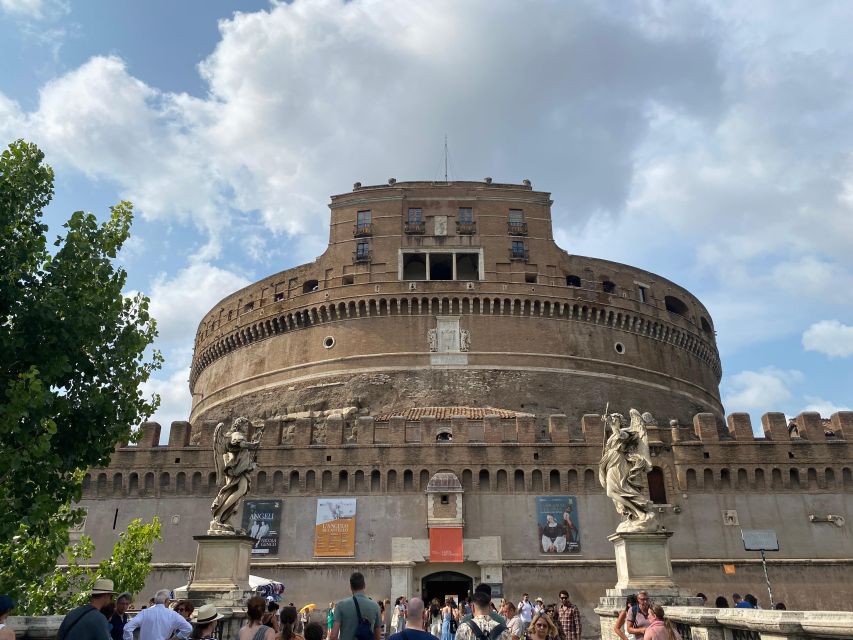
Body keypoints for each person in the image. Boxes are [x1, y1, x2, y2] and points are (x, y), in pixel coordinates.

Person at [329, 572, 382, 640]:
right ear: (364, 585)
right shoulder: (375, 606)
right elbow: (378, 636)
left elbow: (333, 635)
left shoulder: (341, 605)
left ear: (351, 587)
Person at [123, 589, 192, 640]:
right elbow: (188, 628)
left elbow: (127, 628)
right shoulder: (173, 615)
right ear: (166, 601)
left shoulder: (144, 613)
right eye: (169, 601)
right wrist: (175, 638)